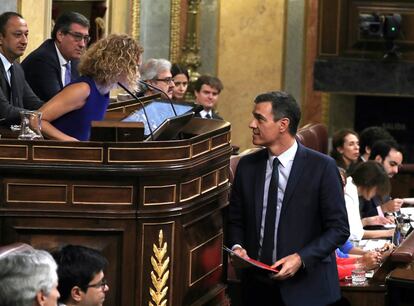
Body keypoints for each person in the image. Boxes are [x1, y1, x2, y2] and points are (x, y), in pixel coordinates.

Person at [228, 91, 349, 305]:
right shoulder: (247, 166)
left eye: (259, 118)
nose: (251, 124)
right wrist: (237, 247)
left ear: (283, 124)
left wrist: (301, 258)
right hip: (256, 290)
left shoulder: (322, 167)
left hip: (308, 290)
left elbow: (338, 229)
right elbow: (235, 219)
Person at [39, 34, 143, 141]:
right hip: (61, 153)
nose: (137, 73)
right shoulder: (83, 89)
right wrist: (71, 142)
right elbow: (37, 120)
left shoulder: (104, 90)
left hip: (83, 154)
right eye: (135, 67)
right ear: (118, 64)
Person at [22, 11, 90, 101]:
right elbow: (60, 103)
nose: (82, 44)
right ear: (60, 35)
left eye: (85, 38)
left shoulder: (74, 60)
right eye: (77, 37)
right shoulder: (42, 60)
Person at [0, 12, 43, 126]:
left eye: (26, 35)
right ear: (0, 38)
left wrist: (60, 109)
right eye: (18, 35)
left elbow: (34, 103)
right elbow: (4, 111)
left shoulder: (17, 68)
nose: (24, 41)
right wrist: (41, 115)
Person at [344, 161, 394, 240]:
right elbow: (353, 234)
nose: (377, 192)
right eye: (376, 188)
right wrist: (389, 232)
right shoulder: (348, 193)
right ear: (368, 182)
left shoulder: (352, 187)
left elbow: (349, 227)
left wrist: (366, 221)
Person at [359, 140, 404, 218]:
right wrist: (384, 208)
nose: (396, 170)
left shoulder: (384, 182)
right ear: (378, 159)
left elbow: (387, 209)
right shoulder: (360, 180)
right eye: (392, 164)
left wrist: (389, 215)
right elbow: (354, 219)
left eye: (398, 166)